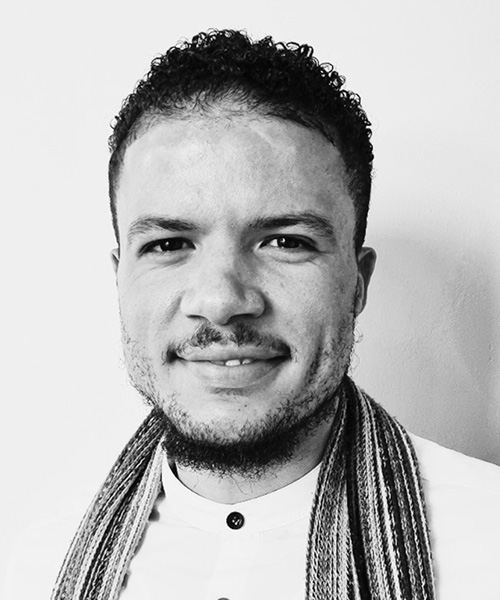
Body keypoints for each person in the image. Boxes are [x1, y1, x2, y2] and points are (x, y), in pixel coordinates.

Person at [44, 29, 500, 599]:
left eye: (285, 242)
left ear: (357, 283)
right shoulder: (39, 563)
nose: (222, 301)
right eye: (168, 244)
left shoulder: (487, 546)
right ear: (120, 279)